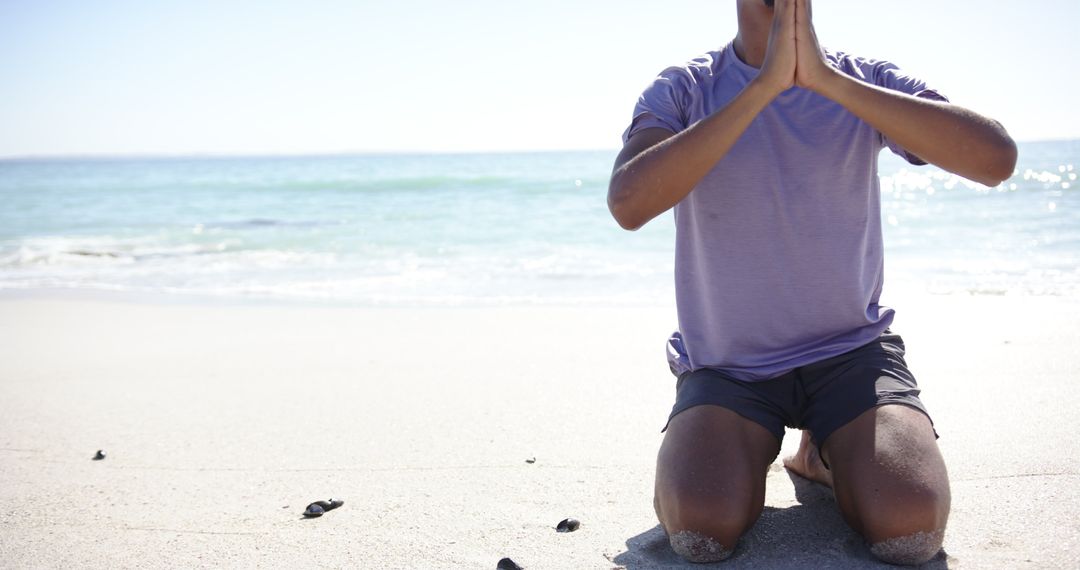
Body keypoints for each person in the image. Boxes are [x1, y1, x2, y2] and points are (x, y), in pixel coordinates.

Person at [607, 0, 1016, 565]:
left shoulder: (866, 79)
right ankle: (757, 449)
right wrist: (763, 89)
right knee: (702, 530)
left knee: (909, 530)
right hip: (730, 366)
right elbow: (629, 203)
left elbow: (994, 159)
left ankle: (820, 454)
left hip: (852, 356)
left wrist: (823, 80)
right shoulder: (685, 88)